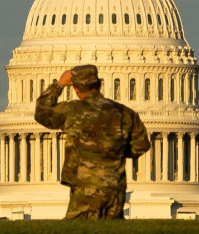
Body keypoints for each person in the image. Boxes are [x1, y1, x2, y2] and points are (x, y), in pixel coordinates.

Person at [35, 64, 150, 219]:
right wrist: (115, 151)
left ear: (75, 89)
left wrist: (59, 84)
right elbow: (142, 145)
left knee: (78, 230)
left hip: (84, 188)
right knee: (112, 230)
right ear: (99, 84)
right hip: (115, 188)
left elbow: (42, 112)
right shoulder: (124, 113)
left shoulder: (72, 111)